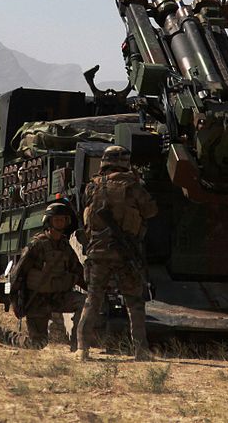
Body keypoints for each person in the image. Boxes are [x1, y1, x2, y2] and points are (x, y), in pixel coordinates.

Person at [76, 145, 158, 361]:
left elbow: (86, 211)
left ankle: (82, 348)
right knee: (134, 302)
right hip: (125, 253)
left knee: (93, 300)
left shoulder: (93, 186)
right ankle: (141, 350)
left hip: (98, 251)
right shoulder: (132, 186)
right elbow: (151, 210)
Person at [9, 202, 86, 349]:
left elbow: (78, 272)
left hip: (59, 297)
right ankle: (0, 334)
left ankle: (77, 345)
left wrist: (96, 289)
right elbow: (17, 275)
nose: (60, 223)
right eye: (57, 220)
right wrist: (16, 302)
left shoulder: (65, 247)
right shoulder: (37, 245)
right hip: (37, 301)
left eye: (63, 220)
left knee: (84, 302)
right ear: (49, 222)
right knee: (37, 344)